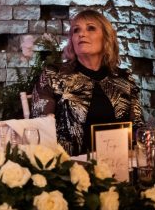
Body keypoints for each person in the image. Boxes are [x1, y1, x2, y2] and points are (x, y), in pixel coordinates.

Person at [32, 9, 144, 155]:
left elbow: (138, 127)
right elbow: (39, 129)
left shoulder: (124, 79)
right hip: (69, 167)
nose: (81, 34)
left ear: (106, 37)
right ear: (72, 40)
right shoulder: (54, 75)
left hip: (118, 165)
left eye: (91, 28)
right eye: (76, 30)